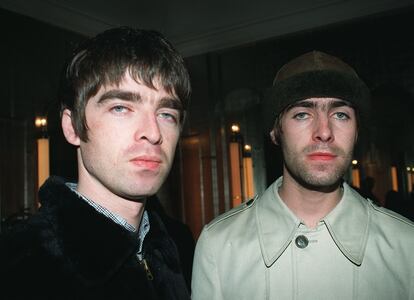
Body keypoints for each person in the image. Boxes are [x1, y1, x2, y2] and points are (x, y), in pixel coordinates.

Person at [192, 51, 414, 299]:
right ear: (276, 132)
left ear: (357, 132)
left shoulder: (406, 245)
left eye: (340, 114)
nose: (324, 131)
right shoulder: (219, 246)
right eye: (302, 114)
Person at [0, 27, 191, 299]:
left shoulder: (174, 249)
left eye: (166, 113)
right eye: (121, 108)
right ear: (73, 128)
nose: (153, 132)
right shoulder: (19, 262)